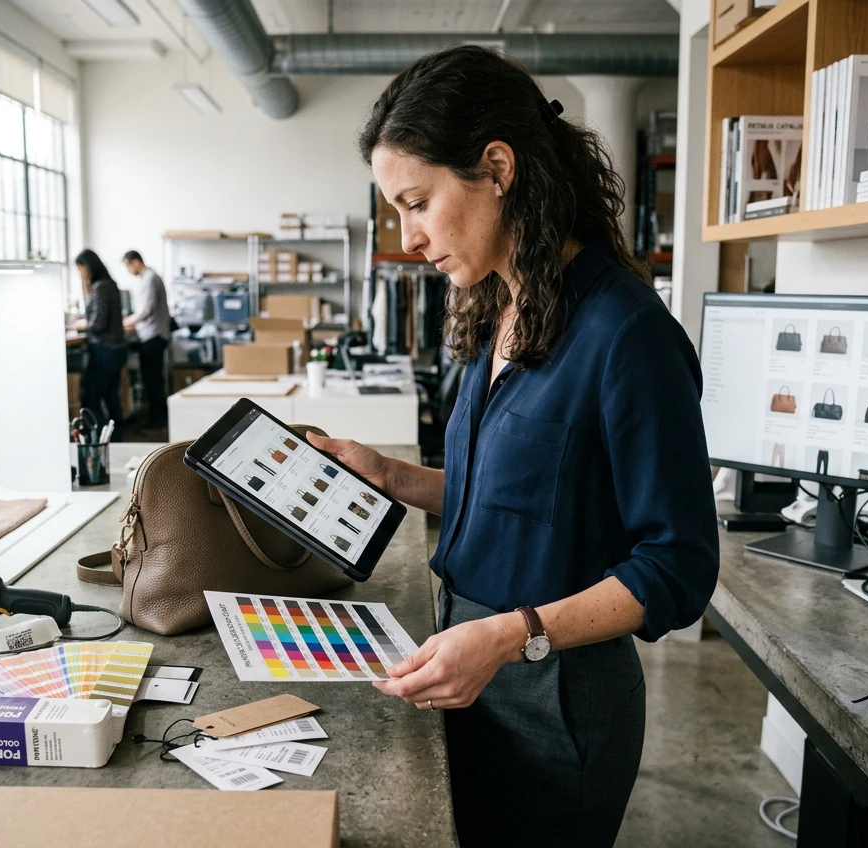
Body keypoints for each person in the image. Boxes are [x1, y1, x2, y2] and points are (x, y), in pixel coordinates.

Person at [306, 46, 718, 847]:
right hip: (471, 663)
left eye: (417, 202)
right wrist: (392, 476)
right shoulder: (499, 312)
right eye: (397, 210)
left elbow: (678, 566)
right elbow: (509, 492)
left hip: (554, 699)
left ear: (497, 167)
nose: (410, 238)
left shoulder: (627, 336)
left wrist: (507, 635)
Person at [70, 249, 127, 434]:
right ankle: (116, 437)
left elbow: (98, 323)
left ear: (87, 267)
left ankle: (99, 437)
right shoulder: (109, 284)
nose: (80, 274)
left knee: (91, 397)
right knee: (111, 396)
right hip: (115, 350)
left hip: (104, 350)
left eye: (80, 269)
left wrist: (79, 326)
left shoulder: (101, 287)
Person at [122, 250, 171, 433]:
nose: (128, 271)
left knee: (152, 380)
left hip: (154, 336)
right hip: (152, 334)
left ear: (134, 262)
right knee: (152, 379)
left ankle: (158, 421)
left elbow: (146, 309)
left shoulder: (150, 278)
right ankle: (156, 418)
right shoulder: (148, 278)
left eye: (127, 266)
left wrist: (128, 322)